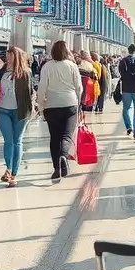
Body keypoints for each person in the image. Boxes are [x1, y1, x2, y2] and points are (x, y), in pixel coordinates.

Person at [37, 40, 83, 180]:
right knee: (67, 136)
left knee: (54, 138)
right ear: (66, 51)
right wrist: (78, 103)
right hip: (70, 104)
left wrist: (41, 106)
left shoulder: (46, 66)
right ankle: (63, 156)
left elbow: (42, 88)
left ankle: (57, 169)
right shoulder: (72, 66)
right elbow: (79, 87)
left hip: (51, 106)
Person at [0, 46, 33, 187]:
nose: (8, 59)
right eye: (7, 56)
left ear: (16, 57)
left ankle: (13, 175)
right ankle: (8, 169)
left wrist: (31, 110)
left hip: (20, 111)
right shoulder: (1, 71)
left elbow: (29, 93)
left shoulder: (25, 73)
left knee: (17, 141)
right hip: (2, 110)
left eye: (10, 57)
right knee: (8, 140)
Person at [119, 43, 135, 139]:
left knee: (126, 108)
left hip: (126, 88)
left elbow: (120, 73)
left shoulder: (123, 61)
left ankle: (128, 127)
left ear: (128, 50)